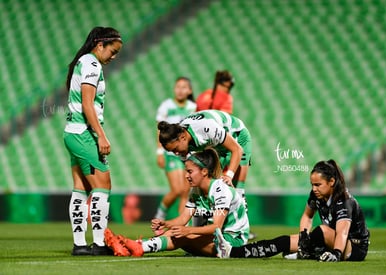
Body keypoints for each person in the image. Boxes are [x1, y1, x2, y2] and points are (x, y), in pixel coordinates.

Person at [216, 159, 370, 262]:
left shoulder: (344, 201)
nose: (314, 189)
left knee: (321, 231)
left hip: (353, 248)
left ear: (331, 182)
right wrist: (303, 235)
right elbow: (307, 216)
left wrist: (336, 254)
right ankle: (231, 252)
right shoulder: (316, 195)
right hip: (325, 240)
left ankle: (306, 253)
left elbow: (342, 232)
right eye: (312, 184)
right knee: (282, 242)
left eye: (318, 185)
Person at [104, 148, 250, 257]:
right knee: (176, 232)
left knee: (184, 236)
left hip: (233, 242)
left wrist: (188, 230)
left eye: (190, 171)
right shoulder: (196, 190)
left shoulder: (220, 190)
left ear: (204, 171)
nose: (186, 176)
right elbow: (183, 219)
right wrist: (166, 223)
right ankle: (133, 247)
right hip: (217, 239)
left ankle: (136, 246)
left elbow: (216, 226)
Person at [63, 26, 122, 256]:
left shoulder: (84, 62)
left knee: (80, 187)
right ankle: (99, 243)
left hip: (72, 131)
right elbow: (88, 104)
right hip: (83, 133)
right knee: (103, 184)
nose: (114, 56)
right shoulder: (91, 64)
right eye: (113, 51)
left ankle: (80, 244)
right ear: (100, 45)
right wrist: (101, 136)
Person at [154, 77, 196, 220]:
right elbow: (159, 131)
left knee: (185, 191)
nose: (180, 90)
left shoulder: (192, 107)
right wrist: (159, 152)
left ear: (189, 90)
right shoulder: (166, 106)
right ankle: (160, 215)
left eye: (184, 87)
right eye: (178, 87)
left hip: (187, 153)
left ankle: (181, 223)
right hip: (171, 153)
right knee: (177, 189)